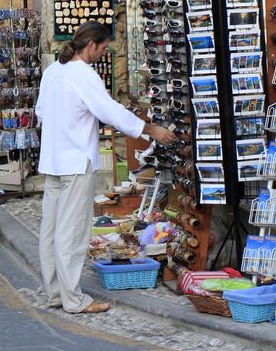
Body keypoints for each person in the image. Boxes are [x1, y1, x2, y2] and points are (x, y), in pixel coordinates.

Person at [35, 21, 176, 314]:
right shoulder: (84, 76)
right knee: (71, 233)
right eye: (101, 49)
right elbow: (110, 111)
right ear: (91, 46)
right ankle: (74, 300)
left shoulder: (52, 72)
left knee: (50, 231)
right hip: (75, 161)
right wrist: (149, 128)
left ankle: (56, 293)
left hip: (53, 160)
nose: (102, 54)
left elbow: (40, 112)